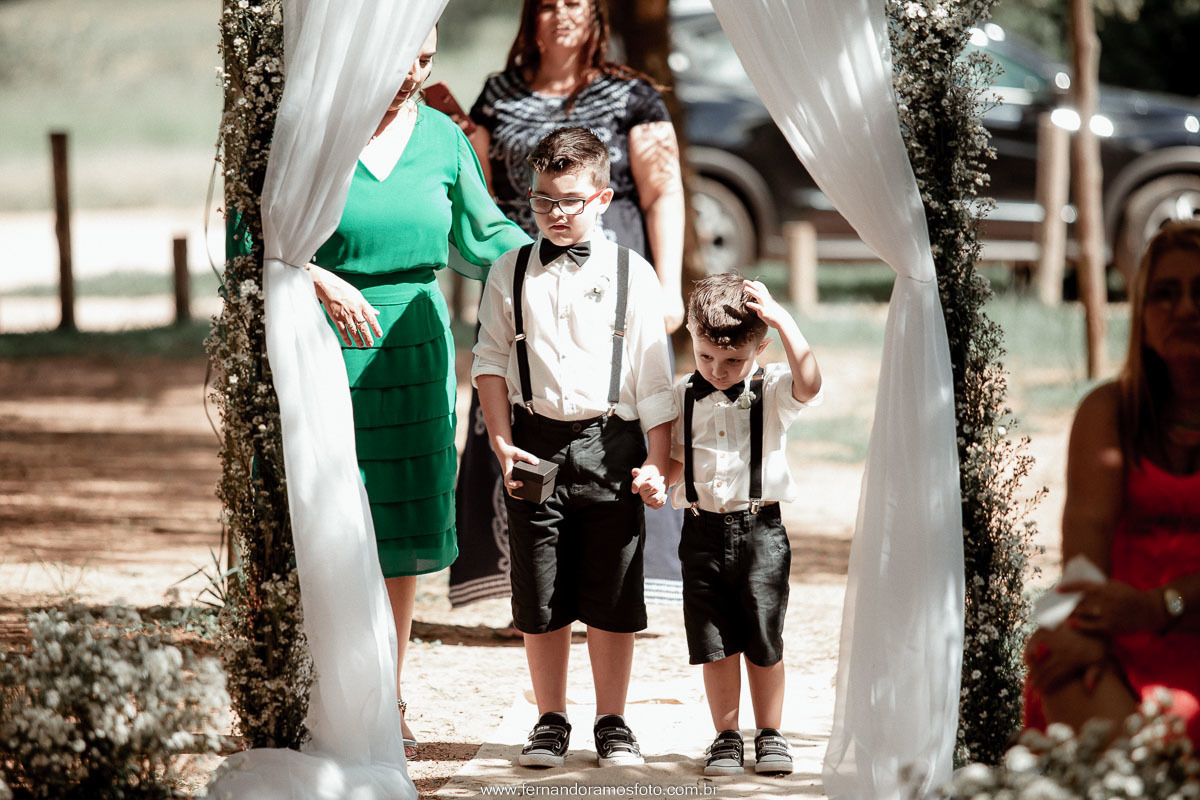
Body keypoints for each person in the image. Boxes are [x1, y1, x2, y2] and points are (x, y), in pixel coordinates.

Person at [303, 27, 531, 758]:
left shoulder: (440, 136)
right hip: (315, 342)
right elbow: (254, 235)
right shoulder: (310, 128)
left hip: (415, 343)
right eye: (402, 51)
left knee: (399, 528)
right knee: (323, 519)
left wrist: (562, 263)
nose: (414, 70)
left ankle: (387, 695)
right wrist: (317, 277)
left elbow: (486, 233)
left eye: (428, 56)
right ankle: (318, 692)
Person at [449, 0, 686, 611]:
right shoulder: (498, 93)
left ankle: (620, 587)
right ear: (530, 16)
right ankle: (531, 595)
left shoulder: (632, 94)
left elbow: (663, 190)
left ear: (596, 15)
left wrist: (669, 283)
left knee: (628, 415)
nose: (561, 14)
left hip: (615, 266)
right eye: (549, 3)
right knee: (517, 406)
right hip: (522, 271)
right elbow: (480, 182)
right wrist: (463, 132)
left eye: (575, 2)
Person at [471, 127, 676, 768]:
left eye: (569, 200)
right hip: (536, 444)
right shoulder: (509, 272)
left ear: (601, 198)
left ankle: (612, 722)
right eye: (542, 201)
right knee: (538, 588)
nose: (556, 214)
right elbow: (490, 363)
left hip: (611, 444)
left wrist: (657, 462)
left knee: (614, 586)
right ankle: (550, 719)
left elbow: (654, 382)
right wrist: (504, 447)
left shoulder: (630, 273)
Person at [1024, 220, 1200, 744]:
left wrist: (1157, 606)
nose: (1186, 309)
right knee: (1058, 656)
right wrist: (1088, 632)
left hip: (1177, 619)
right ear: (1142, 319)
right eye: (1166, 295)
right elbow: (1083, 561)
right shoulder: (1108, 412)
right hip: (1118, 634)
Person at [665, 273, 822, 775]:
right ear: (691, 335)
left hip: (761, 532)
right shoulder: (681, 394)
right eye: (705, 356)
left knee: (763, 637)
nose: (717, 370)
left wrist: (782, 318)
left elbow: (811, 381)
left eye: (733, 360)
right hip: (700, 532)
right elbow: (674, 461)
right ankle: (726, 737)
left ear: (760, 345)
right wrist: (654, 478)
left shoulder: (773, 387)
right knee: (713, 642)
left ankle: (771, 735)